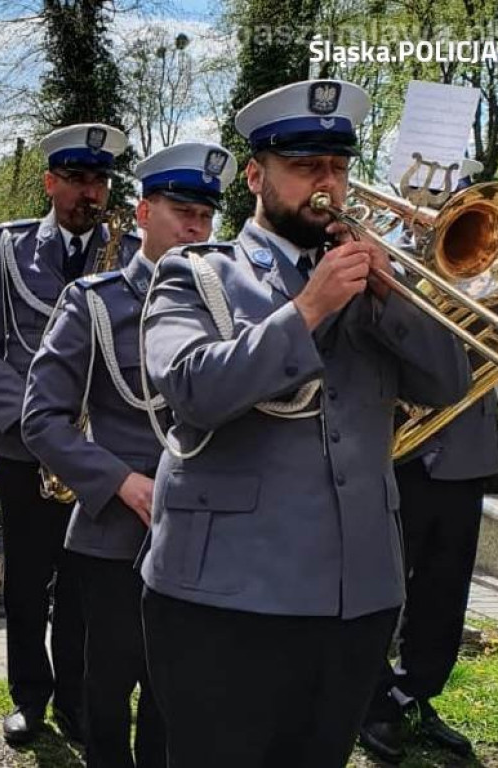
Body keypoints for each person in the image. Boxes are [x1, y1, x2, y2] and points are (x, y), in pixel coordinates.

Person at [138, 79, 470, 768]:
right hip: (225, 597)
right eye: (305, 167)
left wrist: (392, 298)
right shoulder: (196, 273)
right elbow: (192, 389)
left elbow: (448, 384)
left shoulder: (372, 280)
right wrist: (308, 310)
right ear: (255, 176)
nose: (328, 185)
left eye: (339, 168)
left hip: (355, 596)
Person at [22, 141, 236, 768]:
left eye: (206, 215)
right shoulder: (95, 301)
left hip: (202, 530)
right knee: (108, 692)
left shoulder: (229, 302)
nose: (196, 228)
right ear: (143, 213)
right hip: (117, 532)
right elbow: (42, 418)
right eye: (182, 212)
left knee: (179, 693)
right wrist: (120, 482)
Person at [0, 122, 138, 746]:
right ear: (50, 183)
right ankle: (29, 697)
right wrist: (42, 428)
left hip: (98, 454)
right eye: (78, 179)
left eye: (100, 181)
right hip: (23, 447)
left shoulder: (129, 252)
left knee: (86, 583)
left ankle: (75, 699)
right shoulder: (8, 247)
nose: (92, 192)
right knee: (27, 582)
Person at [360, 161, 498, 764]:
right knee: (384, 588)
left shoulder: (487, 272)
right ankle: (371, 700)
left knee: (445, 592)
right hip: (406, 456)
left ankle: (417, 694)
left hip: (465, 459)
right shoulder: (400, 266)